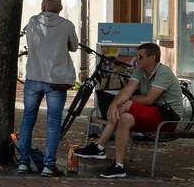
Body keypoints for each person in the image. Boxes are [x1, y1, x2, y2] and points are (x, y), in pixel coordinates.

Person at [73, 41, 183, 179]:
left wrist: (124, 102)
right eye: (137, 56)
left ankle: (99, 146)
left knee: (127, 104)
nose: (137, 59)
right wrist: (114, 104)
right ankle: (119, 166)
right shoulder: (140, 71)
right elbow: (126, 91)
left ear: (153, 57)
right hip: (151, 113)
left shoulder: (163, 72)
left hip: (167, 117)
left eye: (140, 57)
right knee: (125, 118)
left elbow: (149, 99)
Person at [16, 0, 78, 175]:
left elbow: (28, 41)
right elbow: (74, 46)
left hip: (34, 77)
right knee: (53, 122)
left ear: (42, 7)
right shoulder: (66, 25)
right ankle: (48, 165)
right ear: (60, 8)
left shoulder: (33, 22)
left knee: (28, 120)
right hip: (56, 81)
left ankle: (23, 162)